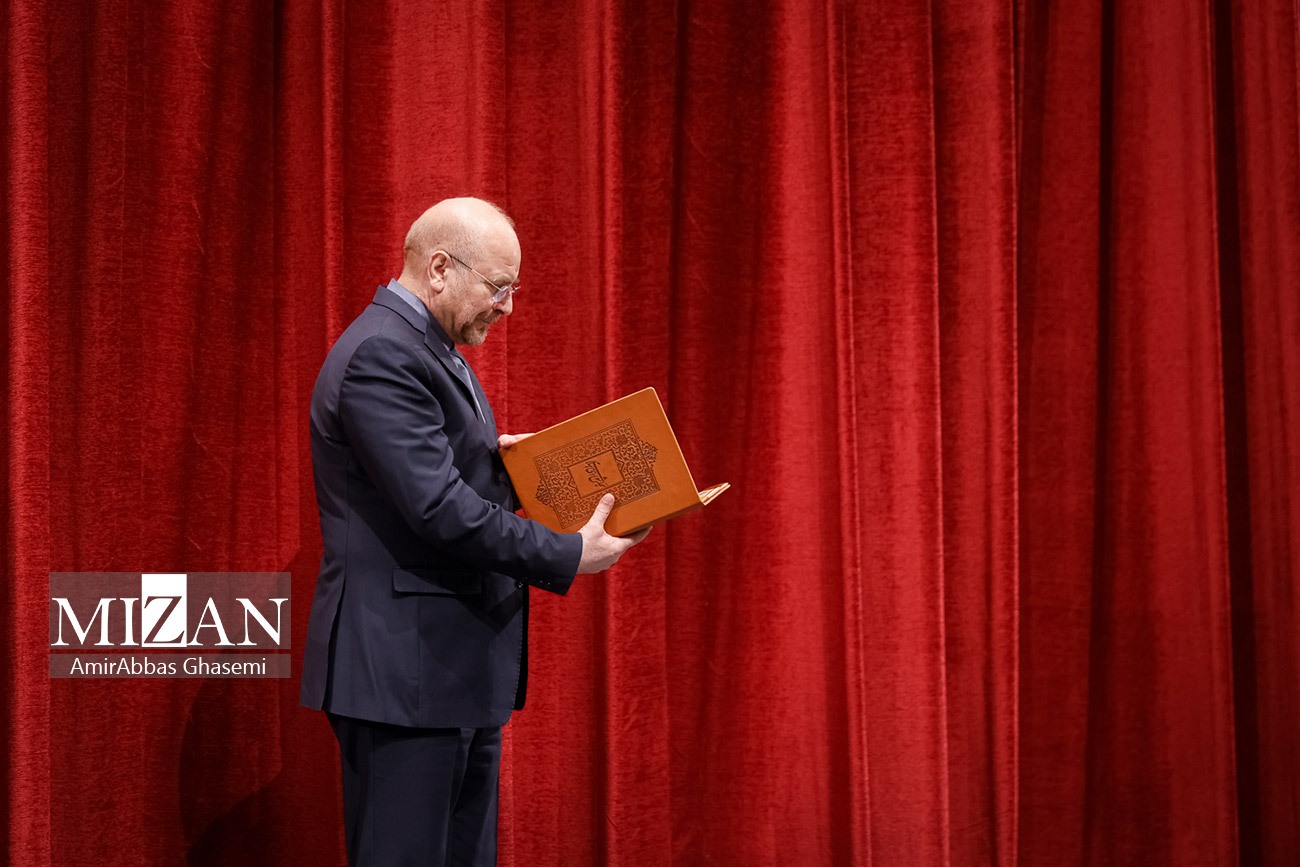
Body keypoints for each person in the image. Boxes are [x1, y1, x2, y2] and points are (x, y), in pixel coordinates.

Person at [300, 197, 649, 866]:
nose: (507, 306)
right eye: (499, 286)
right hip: (405, 677)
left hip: (445, 674)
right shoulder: (384, 354)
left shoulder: (429, 348)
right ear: (439, 268)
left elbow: (435, 480)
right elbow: (437, 509)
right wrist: (569, 552)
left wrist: (512, 470)